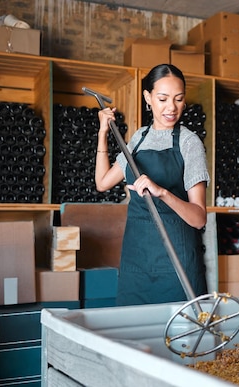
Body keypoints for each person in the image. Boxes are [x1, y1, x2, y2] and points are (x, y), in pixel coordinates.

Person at [95, 64, 209, 306]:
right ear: (148, 98)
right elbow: (103, 182)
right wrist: (103, 132)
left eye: (178, 99)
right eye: (163, 99)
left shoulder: (189, 143)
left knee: (180, 338)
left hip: (176, 263)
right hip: (137, 261)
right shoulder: (139, 138)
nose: (172, 107)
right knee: (133, 335)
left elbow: (199, 218)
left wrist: (162, 192)